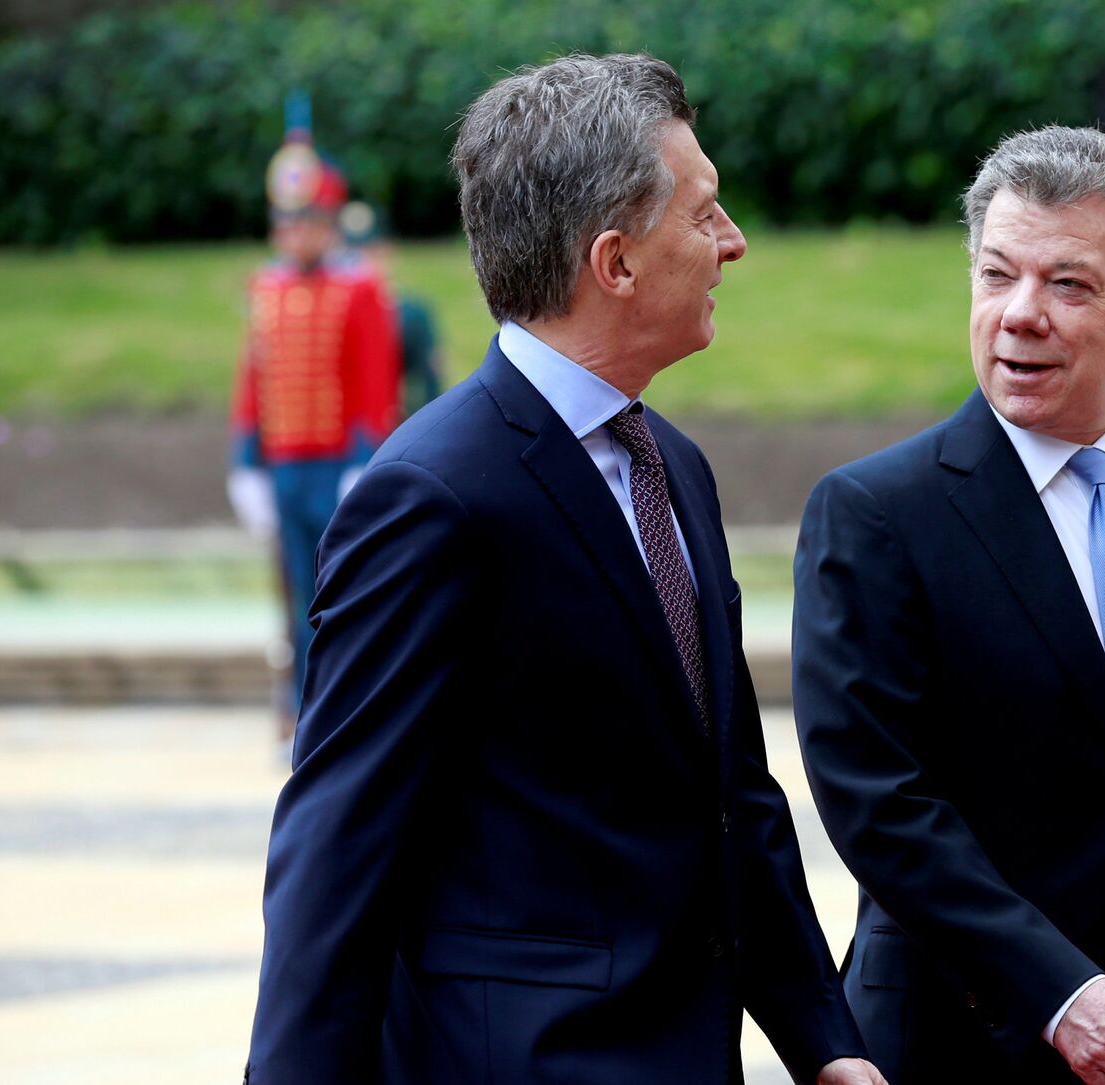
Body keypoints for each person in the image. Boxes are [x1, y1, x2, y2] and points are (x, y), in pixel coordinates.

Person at [245, 54, 885, 1085]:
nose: (733, 242)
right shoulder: (431, 494)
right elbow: (338, 841)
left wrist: (826, 1040)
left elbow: (730, 792)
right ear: (615, 262)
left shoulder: (673, 464)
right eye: (704, 215)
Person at [793, 126, 1105, 1085]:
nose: (1020, 315)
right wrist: (1063, 992)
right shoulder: (879, 513)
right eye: (996, 275)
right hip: (968, 1044)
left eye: (1068, 284)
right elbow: (879, 803)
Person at [227, 98, 400, 724]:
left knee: (343, 593)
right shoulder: (266, 288)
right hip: (284, 467)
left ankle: (347, 710)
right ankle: (301, 709)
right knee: (294, 591)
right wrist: (245, 461)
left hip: (336, 465)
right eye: (286, 222)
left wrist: (365, 460)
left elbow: (374, 382)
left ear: (328, 224)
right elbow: (255, 380)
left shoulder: (359, 288)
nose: (295, 233)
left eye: (306, 221)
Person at [339, 200, 446, 417]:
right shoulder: (333, 315)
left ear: (387, 252)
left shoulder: (412, 314)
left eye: (371, 252)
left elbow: (429, 384)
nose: (360, 263)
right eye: (351, 254)